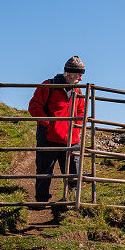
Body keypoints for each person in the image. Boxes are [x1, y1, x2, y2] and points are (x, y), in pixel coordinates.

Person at [28, 56, 87, 205]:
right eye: (79, 74)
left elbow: (81, 110)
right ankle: (41, 202)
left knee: (74, 171)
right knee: (44, 170)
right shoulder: (48, 85)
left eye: (81, 75)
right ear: (69, 73)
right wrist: (49, 124)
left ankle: (73, 201)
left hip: (71, 139)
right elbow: (34, 107)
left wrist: (76, 128)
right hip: (48, 137)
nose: (81, 78)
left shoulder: (78, 90)